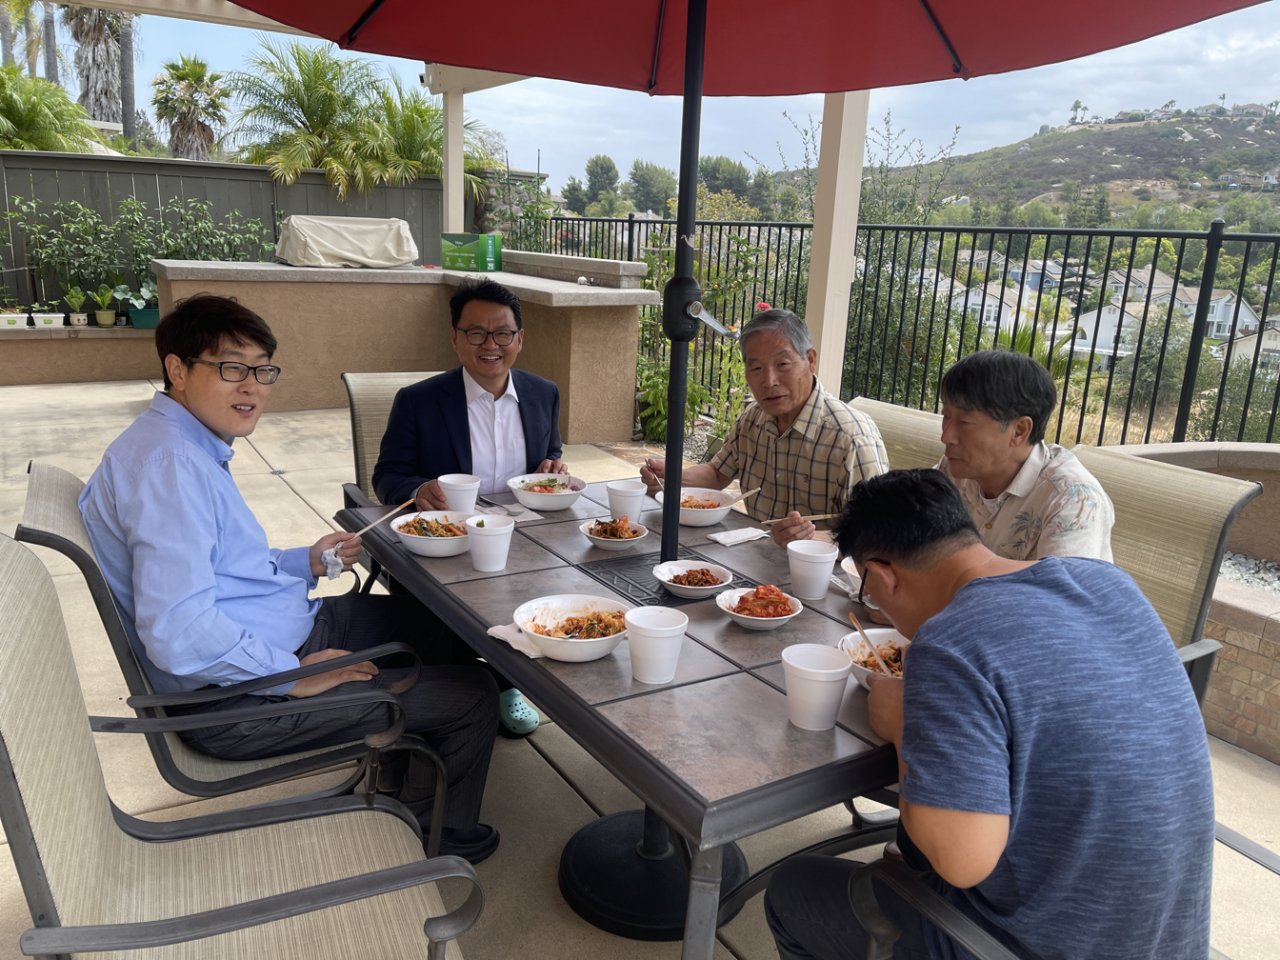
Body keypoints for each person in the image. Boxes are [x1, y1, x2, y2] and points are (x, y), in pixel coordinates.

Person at [79, 294, 502, 864]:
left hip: (273, 636)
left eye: (263, 370)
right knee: (474, 695)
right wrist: (290, 676)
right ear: (177, 370)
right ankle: (435, 838)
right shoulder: (169, 468)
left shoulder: (180, 445)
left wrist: (304, 562)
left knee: (442, 622)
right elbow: (179, 631)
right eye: (231, 368)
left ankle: (407, 768)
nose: (252, 387)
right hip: (233, 700)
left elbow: (221, 569)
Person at [765, 469, 1214, 960]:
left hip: (1026, 945)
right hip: (1171, 942)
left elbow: (960, 862)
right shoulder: (1108, 583)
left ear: (884, 575)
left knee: (793, 887)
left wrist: (901, 726)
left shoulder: (949, 643)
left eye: (868, 590)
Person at [372, 277, 560, 737]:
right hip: (449, 548)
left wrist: (552, 468)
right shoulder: (418, 401)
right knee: (448, 619)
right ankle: (472, 687)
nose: (490, 345)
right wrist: (419, 488)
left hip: (522, 540)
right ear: (455, 338)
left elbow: (550, 455)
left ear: (520, 339)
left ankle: (508, 680)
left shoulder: (543, 393)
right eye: (476, 333)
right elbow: (387, 476)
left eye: (502, 333)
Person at [640, 308, 888, 546]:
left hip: (825, 570)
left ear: (810, 360)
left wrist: (809, 540)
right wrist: (671, 479)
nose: (769, 381)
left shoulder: (851, 437)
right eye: (756, 368)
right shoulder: (753, 419)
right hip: (758, 556)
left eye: (783, 364)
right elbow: (717, 474)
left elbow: (877, 535)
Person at [937, 349, 1114, 561]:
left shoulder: (1072, 499)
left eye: (965, 422)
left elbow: (1061, 581)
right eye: (946, 416)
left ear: (1019, 431)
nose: (946, 436)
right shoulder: (953, 471)